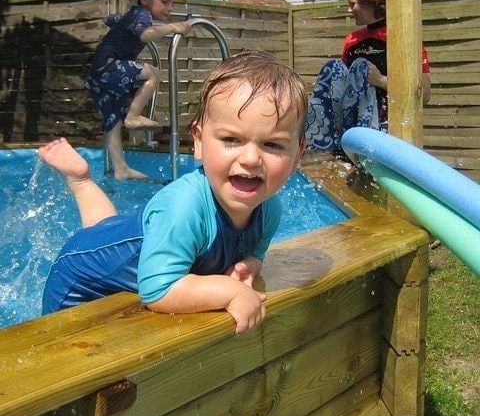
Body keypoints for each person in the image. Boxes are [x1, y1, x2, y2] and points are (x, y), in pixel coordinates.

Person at [39, 51, 307, 335]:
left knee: (111, 235)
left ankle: (81, 181)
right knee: (59, 348)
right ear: (199, 142)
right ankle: (80, 182)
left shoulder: (269, 210)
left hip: (120, 247)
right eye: (231, 139)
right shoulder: (183, 208)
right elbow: (157, 289)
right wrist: (229, 291)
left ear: (297, 156)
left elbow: (254, 255)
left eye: (273, 145)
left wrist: (250, 265)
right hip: (76, 281)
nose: (251, 158)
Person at [306, 0, 431, 154]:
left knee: (360, 67)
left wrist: (381, 80)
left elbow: (425, 95)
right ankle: (321, 144)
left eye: (352, 4)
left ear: (370, 2)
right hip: (349, 125)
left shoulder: (404, 42)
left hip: (387, 130)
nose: (349, 10)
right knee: (333, 68)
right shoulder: (352, 40)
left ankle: (363, 144)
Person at [86, 0, 191, 180]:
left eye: (172, 3)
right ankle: (133, 116)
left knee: (113, 120)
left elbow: (112, 20)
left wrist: (112, 21)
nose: (169, 7)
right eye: (164, 1)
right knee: (153, 73)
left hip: (96, 75)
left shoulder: (133, 14)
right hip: (109, 67)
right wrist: (173, 27)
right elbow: (145, 35)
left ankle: (120, 168)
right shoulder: (142, 14)